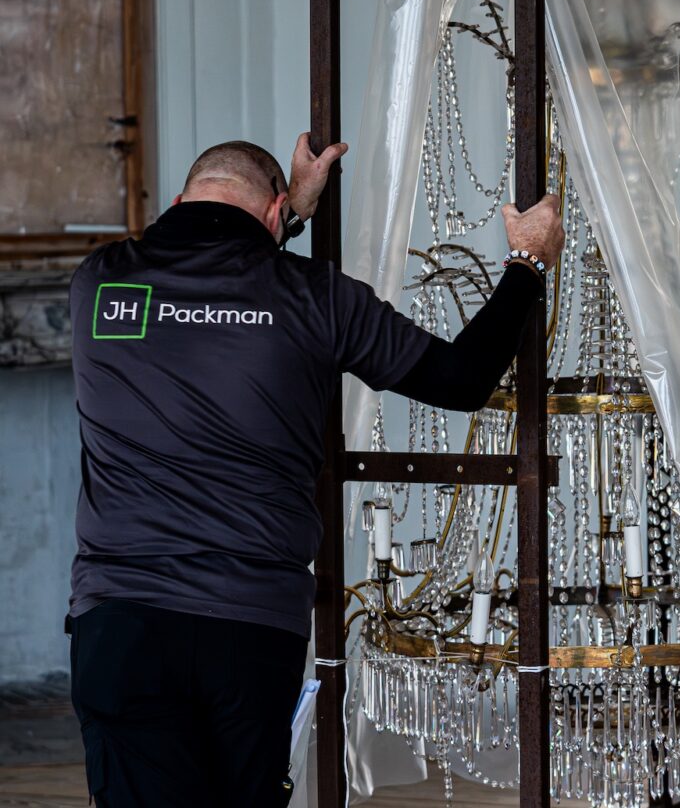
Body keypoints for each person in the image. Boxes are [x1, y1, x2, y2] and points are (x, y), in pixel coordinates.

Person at [67, 133, 565, 807]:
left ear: (181, 200)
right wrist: (527, 261)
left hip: (120, 622)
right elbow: (461, 378)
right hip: (249, 629)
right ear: (273, 216)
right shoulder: (317, 299)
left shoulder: (98, 285)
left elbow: (204, 265)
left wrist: (289, 212)